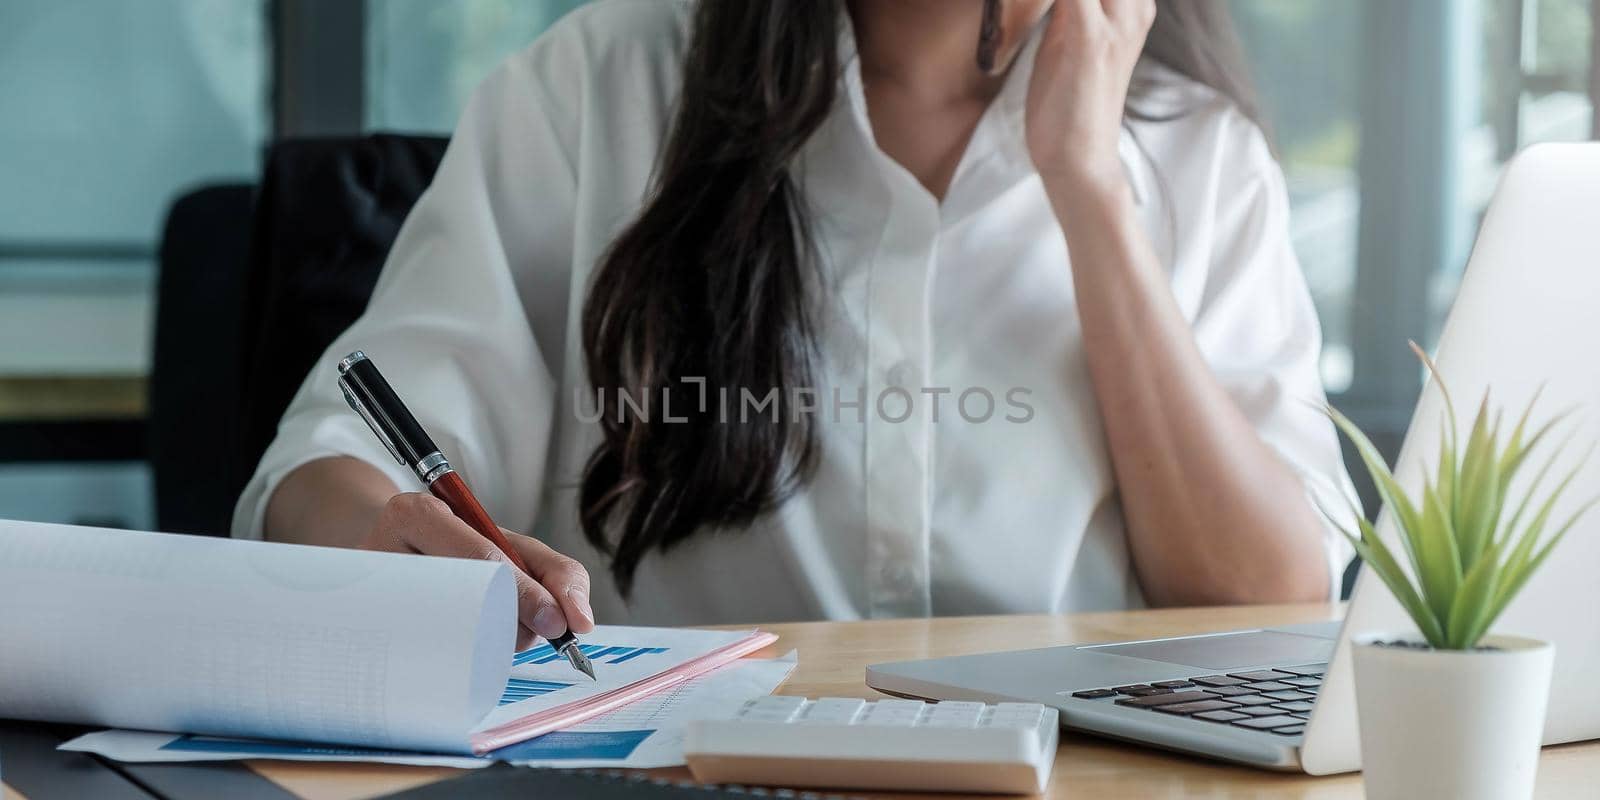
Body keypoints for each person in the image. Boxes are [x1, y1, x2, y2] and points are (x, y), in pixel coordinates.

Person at [235, 0, 1359, 649]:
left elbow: (1265, 601)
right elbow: (339, 467)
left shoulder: (1194, 149)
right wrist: (381, 540)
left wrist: (1086, 185)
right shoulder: (597, 86)